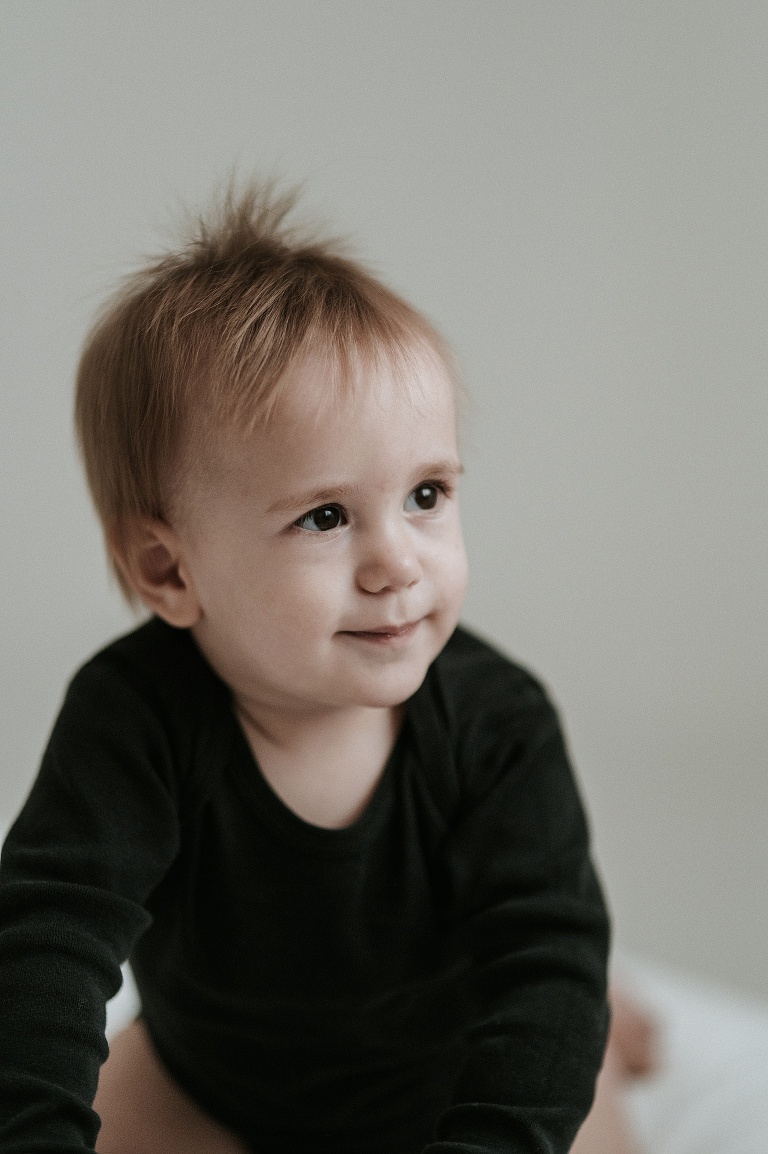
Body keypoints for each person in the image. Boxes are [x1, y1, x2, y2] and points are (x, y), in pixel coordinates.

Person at [0, 182, 620, 1153]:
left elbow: (549, 959)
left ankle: (616, 1035)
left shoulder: (499, 720)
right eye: (325, 515)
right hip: (210, 1079)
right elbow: (47, 940)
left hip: (450, 1083)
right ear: (170, 567)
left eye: (426, 493)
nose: (396, 562)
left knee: (574, 1076)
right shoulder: (134, 717)